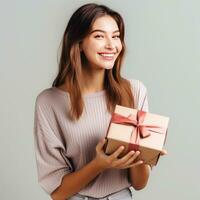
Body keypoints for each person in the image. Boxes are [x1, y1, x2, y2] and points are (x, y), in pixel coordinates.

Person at [33, 3, 167, 200]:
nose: (111, 45)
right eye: (99, 36)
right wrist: (99, 164)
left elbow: (140, 184)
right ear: (78, 43)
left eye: (115, 36)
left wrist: (144, 155)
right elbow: (58, 193)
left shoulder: (134, 91)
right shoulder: (49, 102)